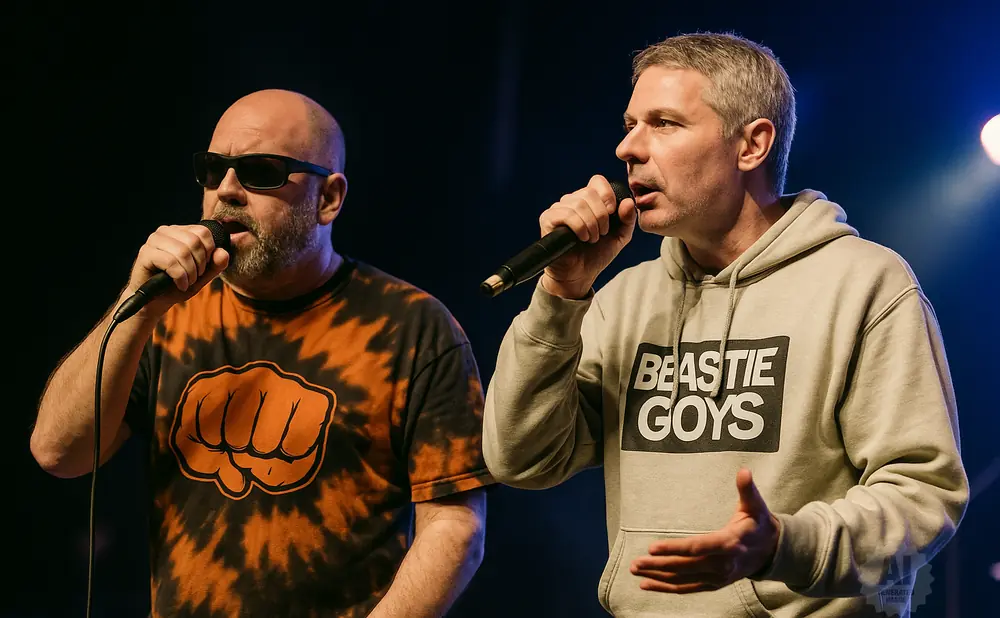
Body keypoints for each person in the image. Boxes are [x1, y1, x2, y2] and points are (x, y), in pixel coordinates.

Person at [483, 32, 968, 617]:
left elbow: (923, 495)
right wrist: (561, 294)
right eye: (630, 124)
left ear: (751, 145)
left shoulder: (864, 283)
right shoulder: (624, 299)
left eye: (664, 124)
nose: (627, 148)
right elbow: (521, 459)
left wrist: (783, 546)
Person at [30, 89, 493, 618]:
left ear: (328, 198)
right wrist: (135, 305)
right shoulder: (167, 313)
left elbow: (455, 526)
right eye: (213, 170)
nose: (226, 191)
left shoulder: (412, 326)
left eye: (261, 172)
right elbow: (59, 453)